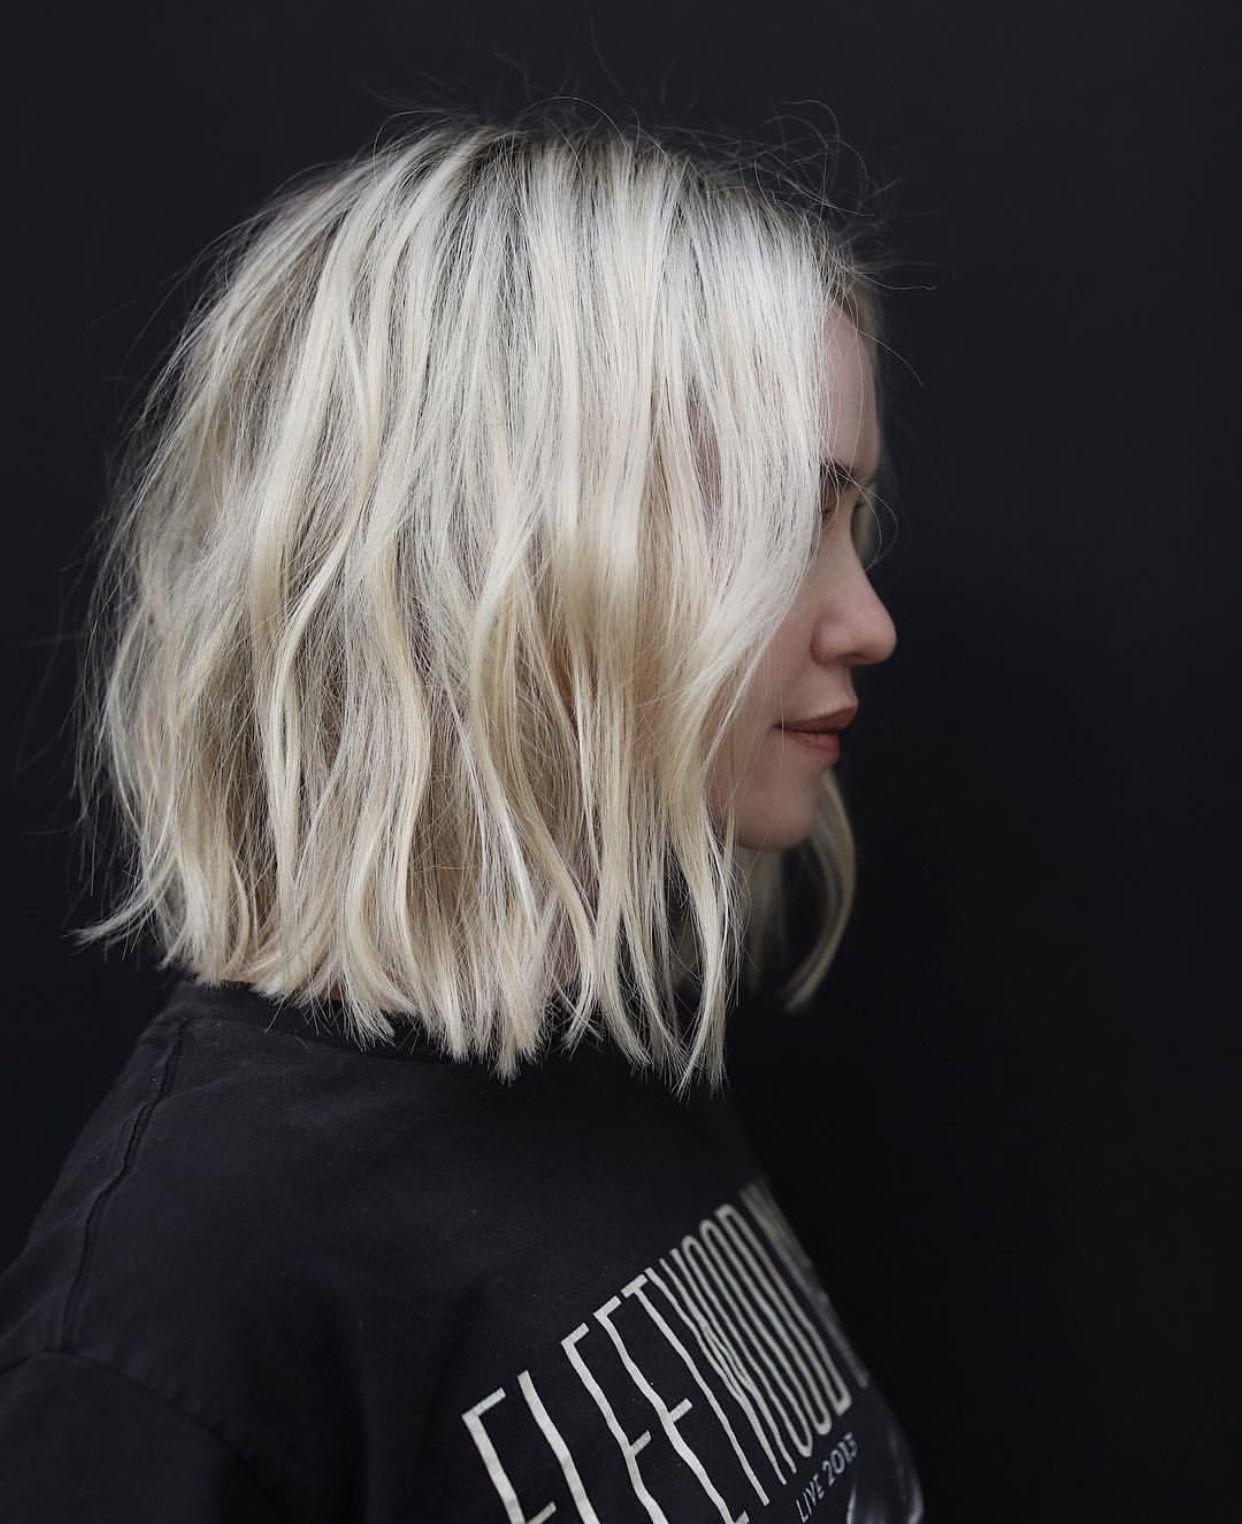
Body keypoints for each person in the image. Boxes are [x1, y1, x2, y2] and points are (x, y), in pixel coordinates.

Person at [0, 105, 923, 1521]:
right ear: (503, 547)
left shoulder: (606, 1039)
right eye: (786, 519)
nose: (866, 621)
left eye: (849, 519)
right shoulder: (175, 1297)